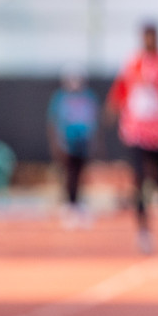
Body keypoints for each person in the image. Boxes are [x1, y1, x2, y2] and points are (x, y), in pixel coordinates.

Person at [107, 22, 158, 254]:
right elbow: (120, 90)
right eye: (146, 37)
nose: (149, 41)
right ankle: (143, 230)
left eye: (152, 37)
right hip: (136, 132)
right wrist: (112, 109)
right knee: (139, 180)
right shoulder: (132, 64)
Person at [47, 70, 99, 227]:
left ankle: (77, 202)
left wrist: (94, 141)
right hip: (67, 142)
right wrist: (55, 143)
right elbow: (53, 121)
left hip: (83, 142)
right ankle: (69, 203)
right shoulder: (60, 98)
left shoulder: (89, 97)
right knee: (69, 173)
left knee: (80, 174)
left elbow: (93, 120)